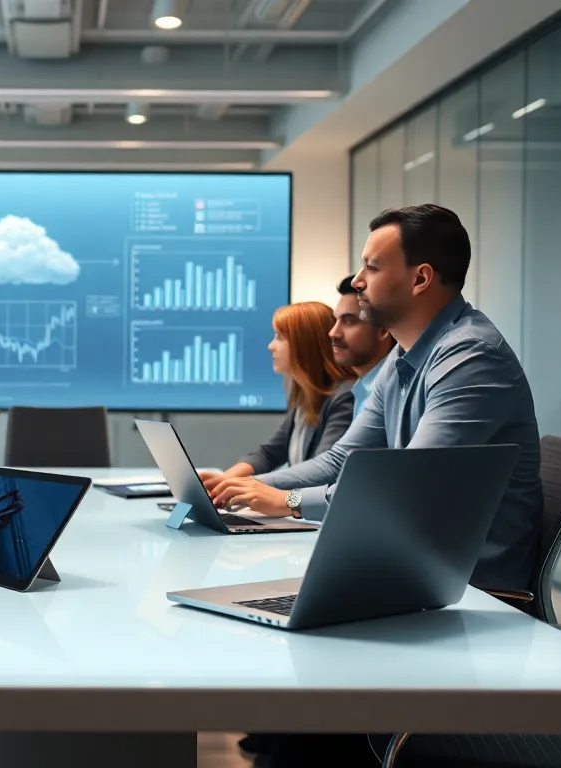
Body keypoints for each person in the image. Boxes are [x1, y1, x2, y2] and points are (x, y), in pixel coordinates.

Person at [203, 203, 543, 593]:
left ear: (421, 279)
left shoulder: (471, 356)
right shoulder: (402, 355)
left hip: (466, 588)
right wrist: (245, 490)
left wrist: (288, 500)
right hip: (412, 562)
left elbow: (407, 487)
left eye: (373, 268)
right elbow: (339, 460)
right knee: (249, 590)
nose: (359, 281)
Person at [220, 302, 356, 479]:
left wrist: (247, 486)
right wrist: (224, 480)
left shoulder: (344, 398)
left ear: (306, 344)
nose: (271, 346)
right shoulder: (306, 399)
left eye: (279, 337)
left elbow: (321, 471)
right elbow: (269, 454)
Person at [330, 275, 395, 419]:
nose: (333, 333)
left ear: (383, 329)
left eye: (348, 321)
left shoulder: (393, 396)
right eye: (336, 321)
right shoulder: (362, 390)